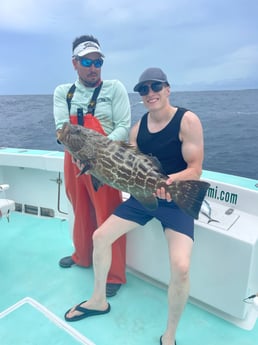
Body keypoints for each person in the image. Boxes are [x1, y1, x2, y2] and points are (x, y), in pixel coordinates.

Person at [63, 67, 204, 345]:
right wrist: (90, 166)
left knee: (181, 266)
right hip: (143, 197)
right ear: (140, 95)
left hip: (176, 201)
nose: (150, 93)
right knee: (100, 237)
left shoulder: (187, 120)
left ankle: (169, 335)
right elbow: (124, 167)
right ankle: (98, 300)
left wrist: (169, 183)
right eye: (143, 89)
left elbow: (195, 170)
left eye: (155, 87)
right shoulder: (137, 130)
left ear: (167, 89)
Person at [53, 34, 131, 297]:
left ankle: (115, 274)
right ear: (75, 63)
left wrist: (101, 149)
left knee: (109, 215)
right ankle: (82, 256)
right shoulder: (63, 92)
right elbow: (60, 128)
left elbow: (123, 126)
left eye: (98, 62)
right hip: (73, 159)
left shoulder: (115, 88)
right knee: (81, 210)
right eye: (87, 61)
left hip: (106, 160)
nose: (93, 67)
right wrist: (77, 152)